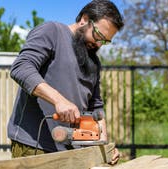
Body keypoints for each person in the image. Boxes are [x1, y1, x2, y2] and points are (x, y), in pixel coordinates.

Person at [7, 0, 124, 165]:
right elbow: (21, 67)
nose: (98, 44)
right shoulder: (52, 31)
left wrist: (104, 147)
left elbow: (95, 108)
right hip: (35, 146)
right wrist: (58, 100)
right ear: (84, 19)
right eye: (98, 35)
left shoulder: (94, 61)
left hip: (73, 152)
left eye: (105, 41)